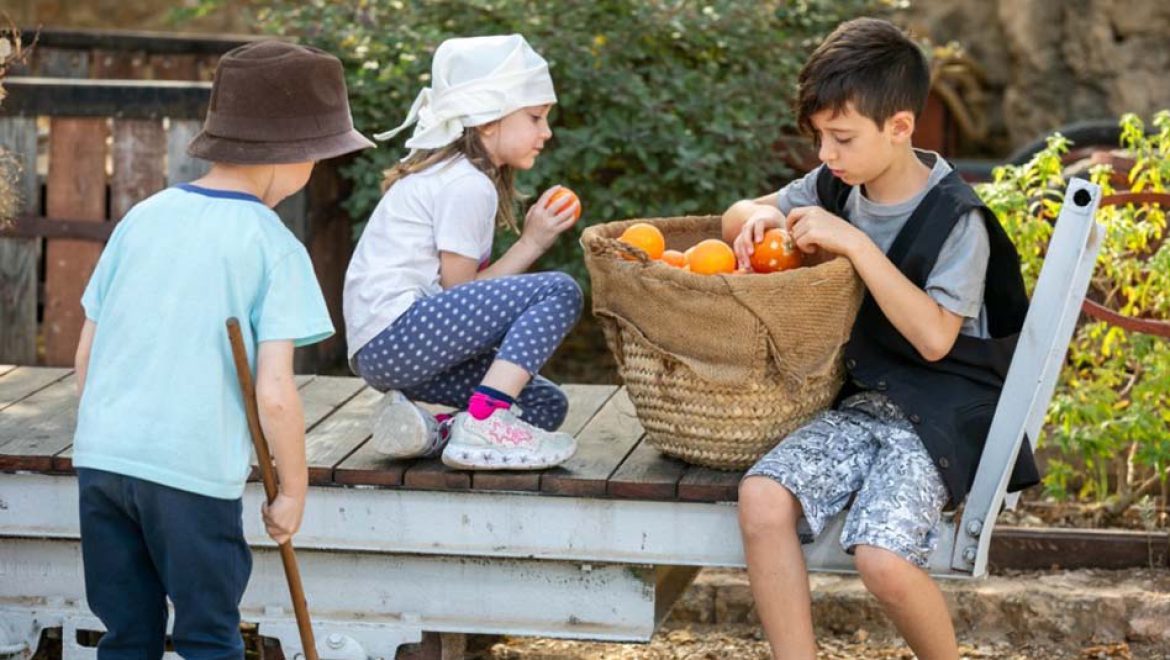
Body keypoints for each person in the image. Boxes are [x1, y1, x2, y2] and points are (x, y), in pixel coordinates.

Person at [724, 18, 1038, 660]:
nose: (826, 155)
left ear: (900, 127)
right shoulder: (837, 185)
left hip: (945, 412)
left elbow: (933, 339)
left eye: (841, 137)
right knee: (760, 498)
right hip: (866, 403)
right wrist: (757, 220)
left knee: (881, 557)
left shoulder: (959, 219)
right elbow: (739, 209)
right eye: (819, 137)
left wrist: (857, 246)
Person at [72, 41, 374, 658]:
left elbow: (87, 354)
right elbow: (276, 394)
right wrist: (293, 490)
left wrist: (113, 431)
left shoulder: (143, 216)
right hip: (188, 476)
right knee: (208, 634)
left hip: (103, 460)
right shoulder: (271, 245)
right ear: (295, 155)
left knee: (127, 633)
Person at [344, 34, 582, 471]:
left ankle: (432, 430)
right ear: (488, 121)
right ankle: (485, 419)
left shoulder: (457, 177)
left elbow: (460, 301)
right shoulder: (466, 184)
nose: (546, 133)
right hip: (397, 335)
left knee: (545, 406)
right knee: (560, 292)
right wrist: (532, 244)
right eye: (535, 117)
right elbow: (460, 291)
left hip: (386, 350)